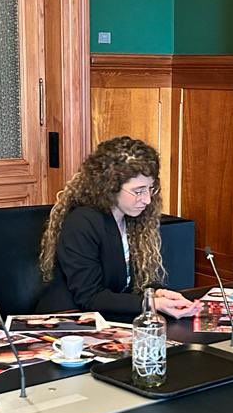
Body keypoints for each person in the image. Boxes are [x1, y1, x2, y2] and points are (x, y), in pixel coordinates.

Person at [36, 136, 202, 319]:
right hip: (64, 322)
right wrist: (151, 303)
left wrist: (157, 294)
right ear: (110, 187)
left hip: (106, 319)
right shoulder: (82, 222)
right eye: (138, 191)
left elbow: (127, 284)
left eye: (150, 188)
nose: (147, 200)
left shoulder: (132, 218)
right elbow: (90, 297)